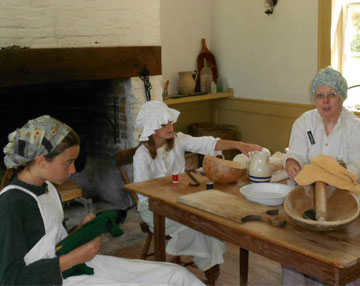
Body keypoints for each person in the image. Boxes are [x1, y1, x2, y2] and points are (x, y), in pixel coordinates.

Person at [0, 115, 205, 286]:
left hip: (70, 268)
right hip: (55, 279)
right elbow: (10, 280)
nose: (73, 170)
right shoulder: (12, 204)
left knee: (177, 276)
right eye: (68, 163)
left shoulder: (47, 188)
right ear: (41, 161)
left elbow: (52, 244)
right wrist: (75, 257)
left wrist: (80, 231)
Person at [133, 100, 262, 277]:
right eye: (163, 124)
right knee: (195, 227)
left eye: (170, 121)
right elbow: (143, 190)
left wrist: (240, 145)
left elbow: (208, 143)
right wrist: (170, 192)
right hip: (152, 207)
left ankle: (206, 259)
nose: (170, 126)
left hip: (178, 200)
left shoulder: (178, 140)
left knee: (209, 220)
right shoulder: (141, 156)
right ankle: (162, 266)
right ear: (151, 128)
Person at [282, 67, 360, 285]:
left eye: (331, 95)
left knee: (341, 257)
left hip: (344, 202)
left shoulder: (355, 127)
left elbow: (356, 167)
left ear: (342, 97)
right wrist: (292, 164)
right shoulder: (304, 123)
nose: (325, 101)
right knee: (297, 252)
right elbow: (295, 154)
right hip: (307, 199)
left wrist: (330, 174)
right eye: (320, 95)